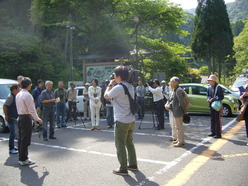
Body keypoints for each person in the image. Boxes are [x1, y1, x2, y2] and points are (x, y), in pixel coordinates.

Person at [104, 65, 137, 176]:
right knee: (129, 143)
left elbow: (106, 96)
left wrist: (109, 84)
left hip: (121, 120)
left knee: (120, 144)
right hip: (131, 119)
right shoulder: (130, 86)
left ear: (118, 76)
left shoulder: (118, 88)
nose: (113, 76)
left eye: (114, 74)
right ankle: (133, 164)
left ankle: (123, 168)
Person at [16, 77, 42, 166]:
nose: (31, 85)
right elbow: (32, 109)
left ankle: (22, 157)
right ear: (28, 85)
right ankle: (23, 159)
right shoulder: (27, 95)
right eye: (30, 84)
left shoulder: (19, 94)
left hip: (20, 117)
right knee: (25, 139)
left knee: (21, 139)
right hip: (26, 118)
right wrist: (37, 119)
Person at [165, 77, 187, 147]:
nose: (170, 83)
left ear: (176, 83)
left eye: (171, 82)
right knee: (177, 126)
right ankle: (179, 139)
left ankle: (181, 141)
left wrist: (185, 112)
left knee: (179, 127)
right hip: (175, 111)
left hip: (178, 111)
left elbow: (182, 102)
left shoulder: (178, 91)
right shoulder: (175, 90)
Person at [3, 84, 20, 154]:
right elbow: (5, 106)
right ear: (14, 89)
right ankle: (11, 149)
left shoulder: (15, 96)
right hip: (11, 117)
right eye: (18, 88)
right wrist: (6, 115)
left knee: (14, 133)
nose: (19, 90)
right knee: (12, 133)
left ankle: (12, 146)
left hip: (14, 117)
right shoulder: (10, 97)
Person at [207, 75, 224, 139]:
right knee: (212, 118)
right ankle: (213, 132)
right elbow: (207, 95)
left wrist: (213, 99)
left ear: (214, 81)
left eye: (210, 81)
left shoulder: (218, 87)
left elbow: (221, 96)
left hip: (216, 106)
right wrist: (208, 99)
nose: (209, 82)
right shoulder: (209, 87)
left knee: (217, 119)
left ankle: (218, 133)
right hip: (211, 105)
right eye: (209, 81)